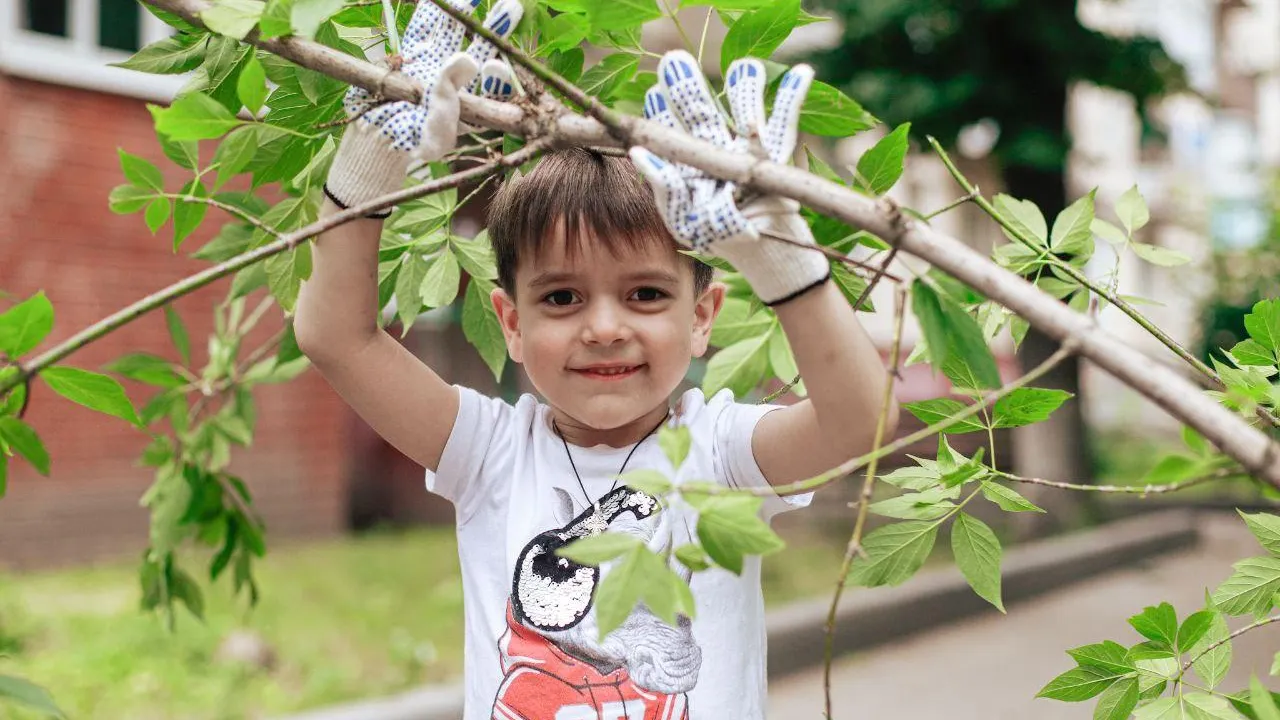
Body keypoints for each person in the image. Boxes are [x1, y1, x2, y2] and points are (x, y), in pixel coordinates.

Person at [294, 0, 899, 717]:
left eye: (645, 294)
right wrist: (369, 165)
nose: (605, 328)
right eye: (561, 299)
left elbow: (861, 423)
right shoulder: (490, 454)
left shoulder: (718, 453)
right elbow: (336, 338)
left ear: (702, 317)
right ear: (510, 324)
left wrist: (781, 261)